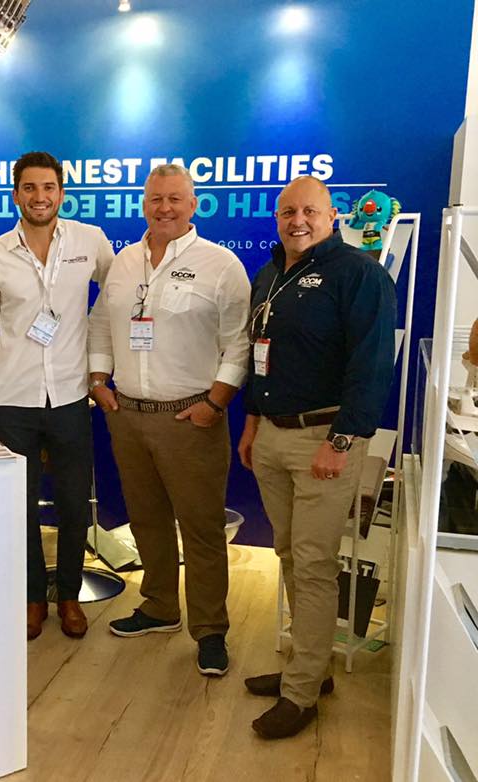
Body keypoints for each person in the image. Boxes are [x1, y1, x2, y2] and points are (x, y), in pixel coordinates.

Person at [237, 175, 396, 739]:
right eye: (287, 212)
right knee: (287, 554)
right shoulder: (272, 272)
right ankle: (312, 666)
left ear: (333, 217)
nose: (296, 220)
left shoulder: (360, 274)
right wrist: (253, 423)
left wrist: (343, 441)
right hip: (274, 436)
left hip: (325, 439)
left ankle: (301, 693)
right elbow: (261, 356)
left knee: (313, 561)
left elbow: (373, 365)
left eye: (309, 211)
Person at [87, 164, 250, 676]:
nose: (164, 208)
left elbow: (239, 342)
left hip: (191, 419)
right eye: (155, 198)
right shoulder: (124, 261)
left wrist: (216, 403)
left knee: (201, 530)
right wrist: (98, 382)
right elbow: (100, 325)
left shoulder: (219, 265)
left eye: (175, 199)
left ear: (193, 204)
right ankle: (159, 606)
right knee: (147, 520)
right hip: (128, 415)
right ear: (143, 203)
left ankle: (210, 630)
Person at [0, 151, 114, 640]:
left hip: (71, 396)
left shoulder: (89, 242)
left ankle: (68, 596)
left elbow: (117, 299)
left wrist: (98, 373)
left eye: (48, 187)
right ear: (16, 195)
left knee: (74, 504)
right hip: (13, 400)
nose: (39, 196)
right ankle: (33, 598)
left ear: (61, 193)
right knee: (19, 507)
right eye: (29, 188)